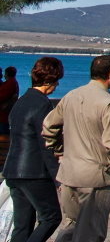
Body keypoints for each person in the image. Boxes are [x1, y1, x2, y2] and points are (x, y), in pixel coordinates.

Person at [42, 55, 110, 242]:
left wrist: (59, 150)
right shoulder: (106, 102)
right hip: (96, 177)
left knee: (70, 226)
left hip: (69, 174)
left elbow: (49, 126)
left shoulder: (71, 96)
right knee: (91, 232)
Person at [2, 57, 64, 242]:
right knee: (51, 217)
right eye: (57, 80)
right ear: (51, 80)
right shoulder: (42, 104)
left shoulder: (20, 102)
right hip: (34, 172)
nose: (58, 85)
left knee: (22, 226)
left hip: (13, 170)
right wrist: (57, 176)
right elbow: (45, 143)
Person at [0, 66, 21, 135]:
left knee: (3, 133)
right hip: (4, 115)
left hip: (3, 115)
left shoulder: (10, 83)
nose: (3, 75)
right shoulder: (10, 83)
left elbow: (2, 96)